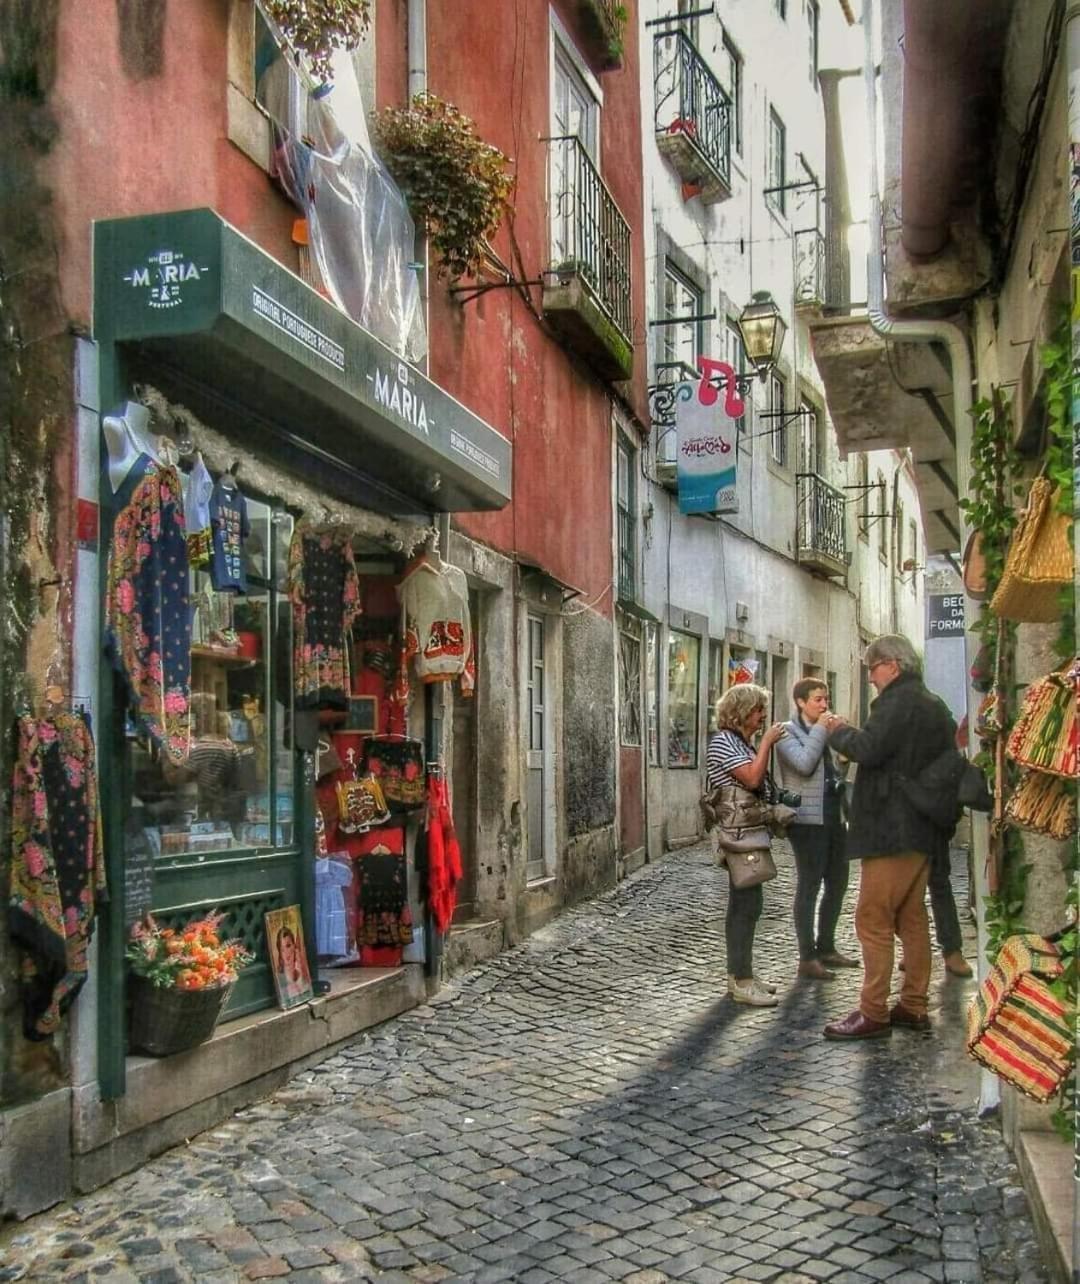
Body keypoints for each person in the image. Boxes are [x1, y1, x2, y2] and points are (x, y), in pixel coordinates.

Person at [820, 635, 957, 1040]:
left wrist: (838, 730)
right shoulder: (933, 705)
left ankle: (873, 1010)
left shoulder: (898, 702)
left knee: (873, 917)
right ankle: (913, 1005)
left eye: (873, 669)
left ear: (892, 666)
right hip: (922, 826)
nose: (871, 677)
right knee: (911, 917)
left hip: (891, 826)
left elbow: (870, 748)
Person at [707, 683, 787, 1008]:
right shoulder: (725, 742)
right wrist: (767, 743)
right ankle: (741, 981)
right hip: (737, 834)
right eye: (758, 710)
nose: (763, 716)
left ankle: (743, 975)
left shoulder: (739, 741)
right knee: (744, 905)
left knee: (749, 903)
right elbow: (752, 779)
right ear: (742, 712)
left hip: (747, 831)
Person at [776, 679, 858, 980]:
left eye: (826, 699)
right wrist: (824, 729)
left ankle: (826, 946)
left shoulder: (823, 730)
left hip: (834, 817)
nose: (824, 705)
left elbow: (834, 774)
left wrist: (843, 757)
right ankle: (806, 956)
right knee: (809, 885)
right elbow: (804, 764)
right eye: (817, 700)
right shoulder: (785, 732)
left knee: (838, 883)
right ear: (800, 702)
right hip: (806, 821)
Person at [274, 923, 311, 1001]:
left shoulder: (302, 974)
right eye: (282, 949)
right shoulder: (280, 980)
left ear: (294, 946)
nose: (286, 953)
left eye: (288, 946)